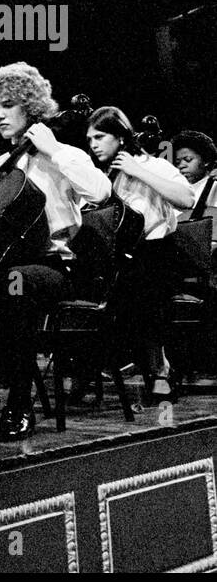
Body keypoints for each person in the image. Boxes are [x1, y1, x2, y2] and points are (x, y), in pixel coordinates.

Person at [0, 63, 111, 441]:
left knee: (11, 285)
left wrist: (53, 149)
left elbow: (100, 192)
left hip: (55, 267)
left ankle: (20, 404)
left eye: (9, 105)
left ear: (31, 108)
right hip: (8, 267)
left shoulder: (61, 155)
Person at [86, 106, 194, 401]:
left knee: (141, 282)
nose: (93, 144)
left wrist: (139, 172)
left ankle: (160, 370)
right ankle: (89, 363)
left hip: (159, 252)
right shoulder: (106, 178)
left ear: (120, 137)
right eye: (89, 139)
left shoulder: (153, 165)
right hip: (124, 257)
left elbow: (186, 199)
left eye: (99, 136)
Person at [171, 129, 217, 214]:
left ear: (206, 160)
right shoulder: (177, 192)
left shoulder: (215, 186)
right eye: (177, 162)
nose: (181, 166)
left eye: (188, 159)